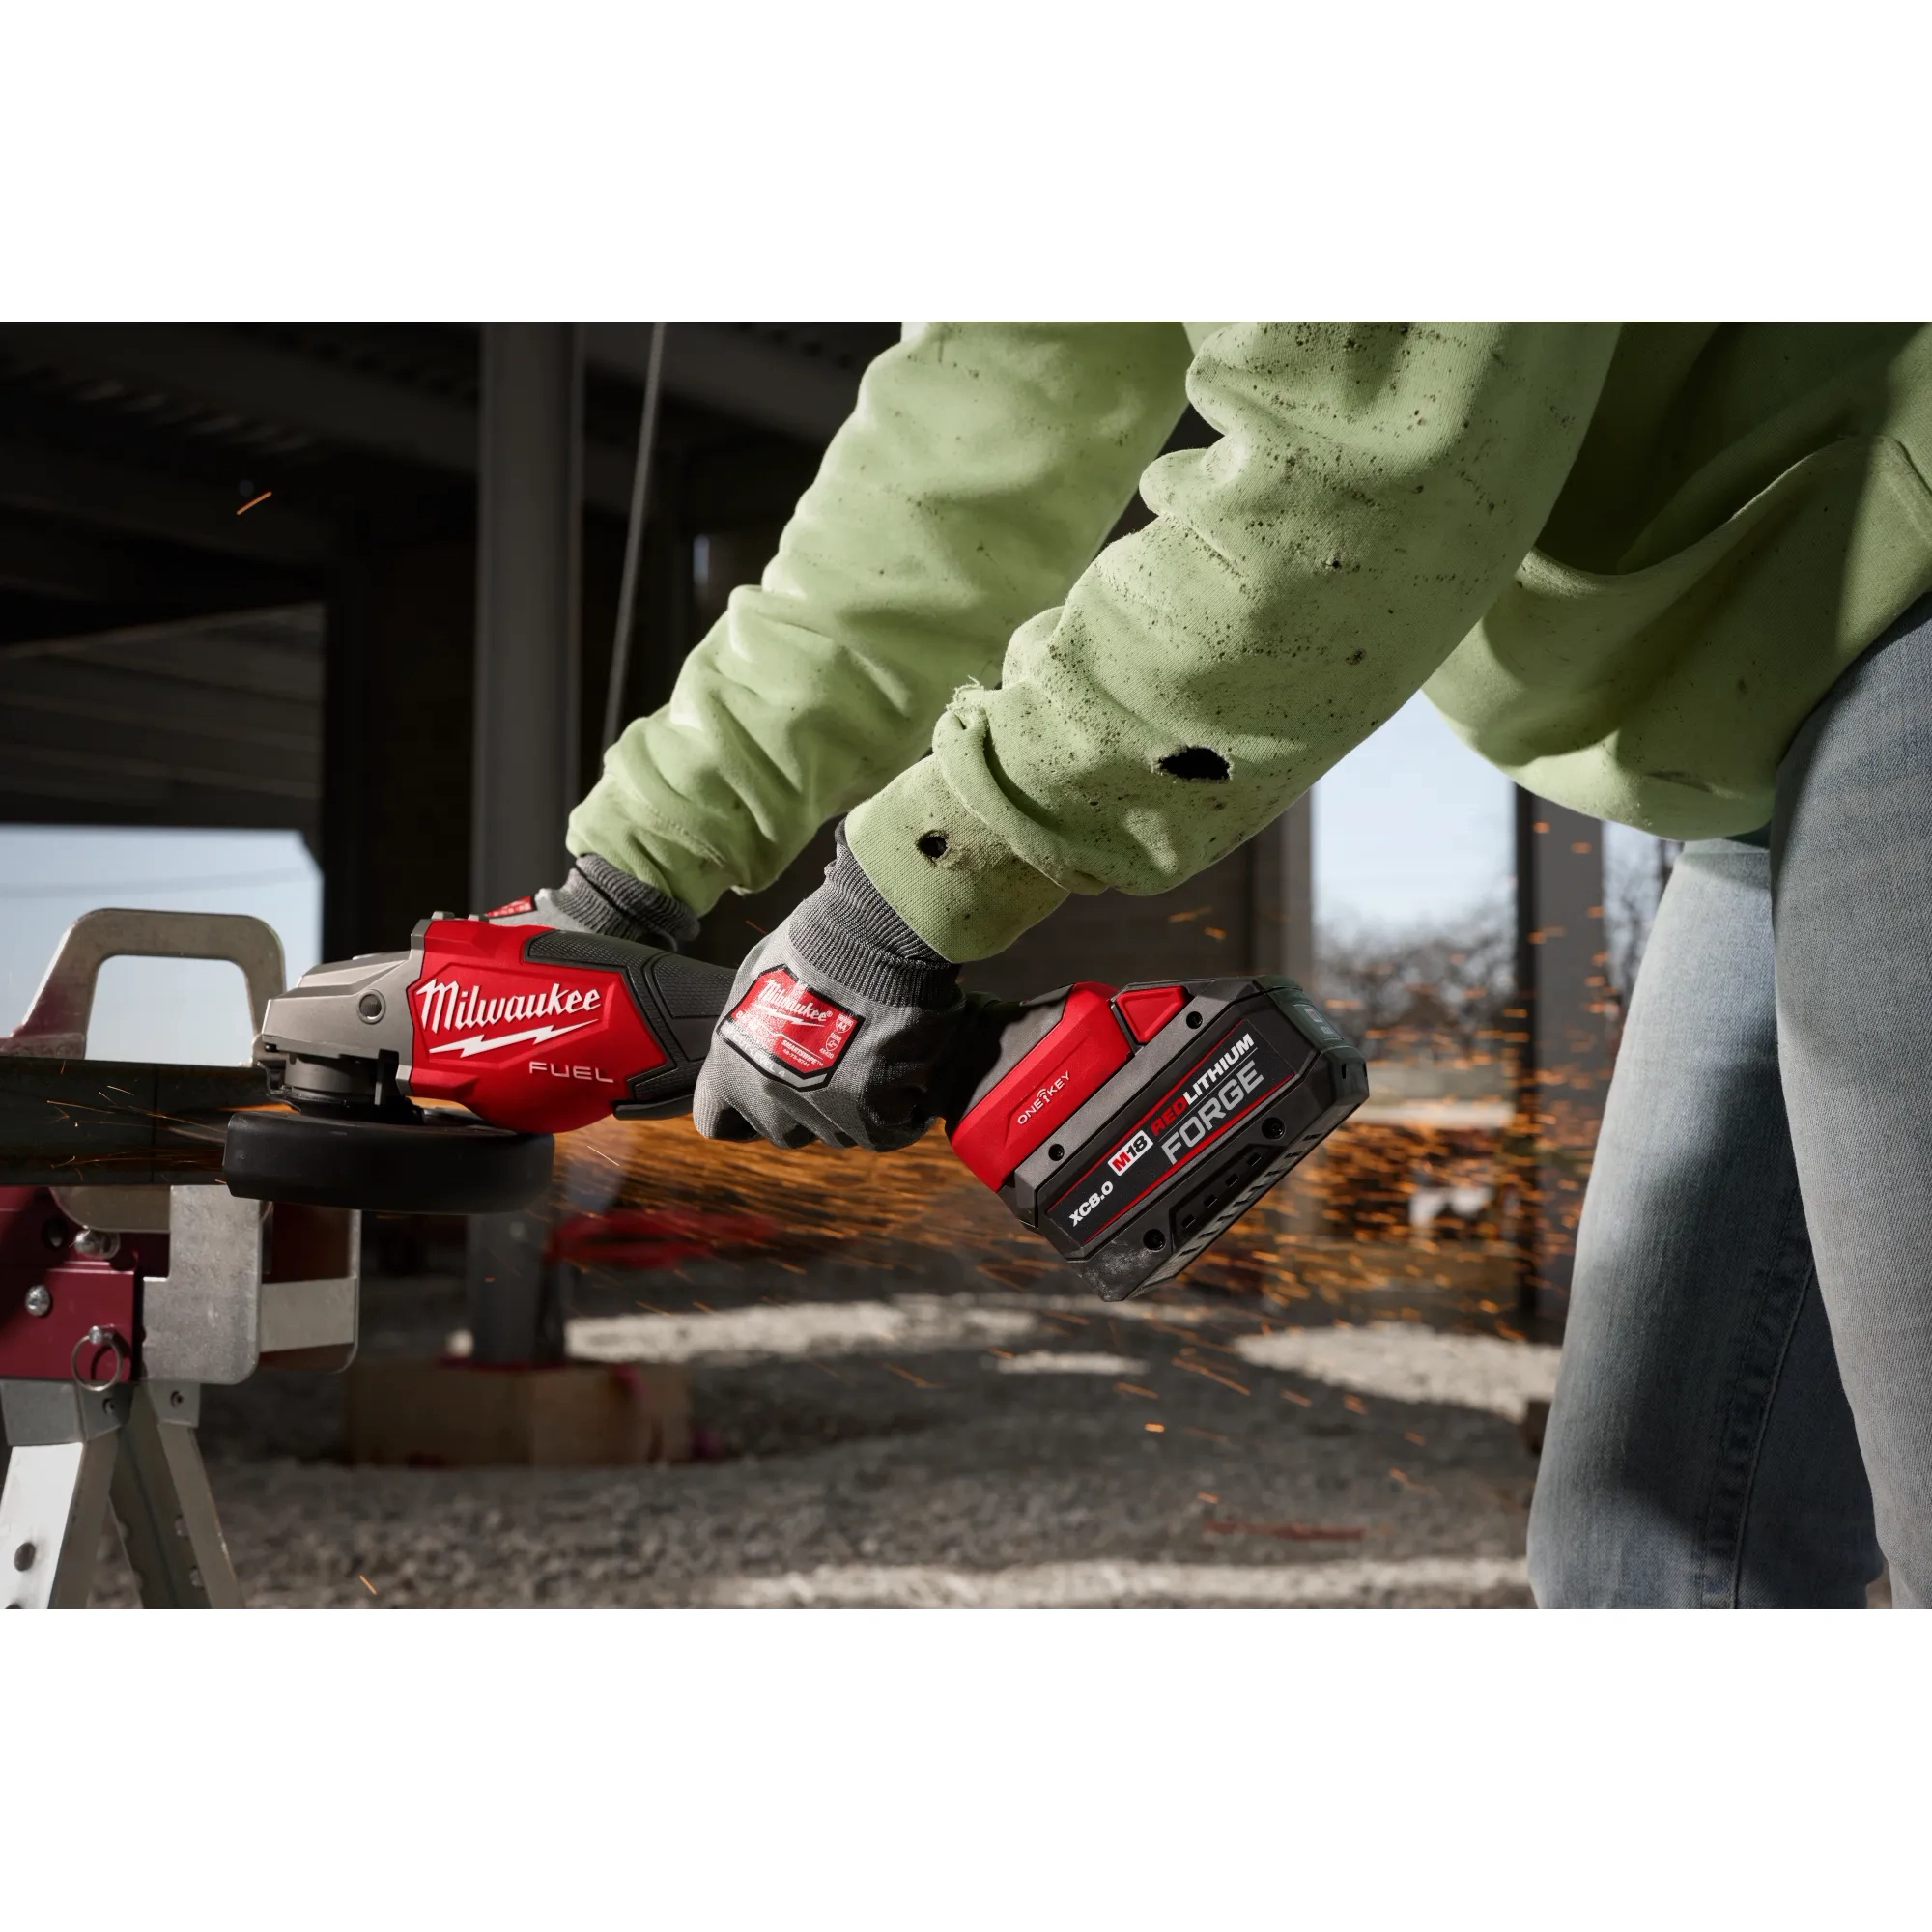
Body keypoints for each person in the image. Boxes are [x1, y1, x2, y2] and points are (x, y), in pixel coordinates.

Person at [526, 324, 1932, 1607]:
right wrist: (623, 879)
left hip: (1897, 609)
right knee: (1654, 1561)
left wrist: (903, 899)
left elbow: (1364, 467)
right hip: (1766, 740)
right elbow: (953, 469)